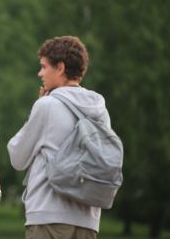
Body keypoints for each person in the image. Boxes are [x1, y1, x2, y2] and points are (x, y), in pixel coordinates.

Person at [7, 36, 112, 239]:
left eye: (44, 67)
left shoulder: (46, 105)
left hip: (48, 217)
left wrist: (35, 111)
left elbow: (17, 158)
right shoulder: (100, 109)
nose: (40, 73)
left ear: (60, 68)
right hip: (88, 220)